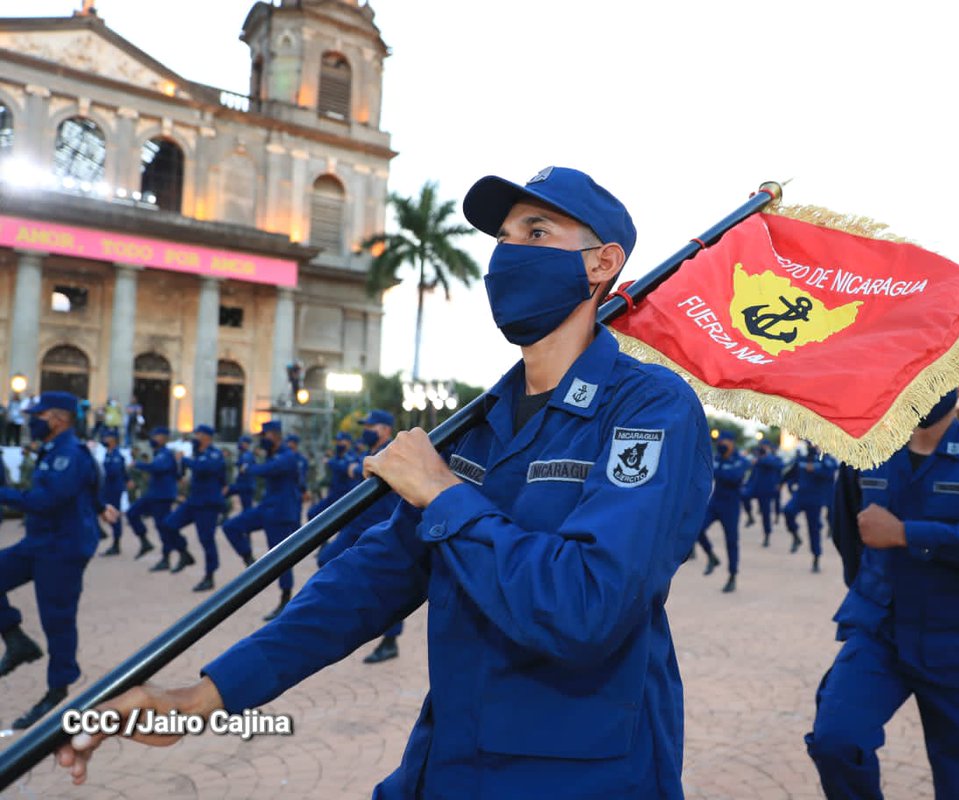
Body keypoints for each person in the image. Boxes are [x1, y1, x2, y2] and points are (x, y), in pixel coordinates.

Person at [59, 166, 713, 800]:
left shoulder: (649, 408)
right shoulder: (478, 424)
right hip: (449, 760)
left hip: (582, 774)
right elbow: (373, 578)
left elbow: (587, 606)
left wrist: (444, 494)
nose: (507, 253)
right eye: (503, 237)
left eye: (535, 232)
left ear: (602, 264)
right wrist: (203, 697)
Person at [806, 379, 959, 799]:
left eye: (938, 374)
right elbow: (848, 536)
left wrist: (908, 534)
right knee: (836, 741)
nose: (924, 385)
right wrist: (872, 592)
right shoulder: (868, 454)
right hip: (881, 633)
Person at [0, 391, 114, 728]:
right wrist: (99, 507)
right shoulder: (54, 449)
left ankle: (58, 689)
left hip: (63, 548)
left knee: (57, 619)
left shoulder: (69, 453)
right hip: (40, 542)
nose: (32, 421)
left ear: (58, 418)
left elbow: (47, 499)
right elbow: (89, 486)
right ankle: (16, 640)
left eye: (39, 415)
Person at [316, 411, 405, 663]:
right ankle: (341, 615)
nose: (366, 430)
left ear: (386, 429)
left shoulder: (394, 450)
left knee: (388, 586)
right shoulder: (367, 451)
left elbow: (363, 470)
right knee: (327, 559)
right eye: (365, 426)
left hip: (382, 525)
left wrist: (355, 468)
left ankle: (390, 641)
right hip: (357, 525)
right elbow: (349, 469)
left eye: (371, 426)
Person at [220, 420, 300, 620]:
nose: (262, 440)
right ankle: (250, 561)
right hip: (266, 508)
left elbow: (267, 470)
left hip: (280, 513)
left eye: (265, 436)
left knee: (280, 559)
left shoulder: (287, 455)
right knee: (231, 526)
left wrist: (249, 467)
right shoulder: (272, 454)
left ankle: (285, 598)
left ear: (274, 435)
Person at [158, 426, 228, 592]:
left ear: (207, 437)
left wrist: (184, 459)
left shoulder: (214, 454)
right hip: (194, 501)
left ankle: (209, 575)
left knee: (206, 539)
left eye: (198, 434)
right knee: (168, 525)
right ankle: (184, 553)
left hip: (208, 504)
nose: (195, 437)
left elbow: (205, 468)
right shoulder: (196, 453)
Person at [127, 427, 190, 572]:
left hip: (162, 496)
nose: (153, 439)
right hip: (154, 494)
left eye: (156, 436)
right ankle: (145, 542)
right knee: (132, 513)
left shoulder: (165, 454)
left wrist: (138, 464)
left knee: (163, 527)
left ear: (164, 438)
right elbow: (173, 472)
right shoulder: (159, 453)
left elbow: (158, 467)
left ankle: (172, 555)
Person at [695, 430, 750, 593]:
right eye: (719, 441)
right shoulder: (717, 458)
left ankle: (732, 575)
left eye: (724, 441)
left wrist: (717, 470)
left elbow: (734, 477)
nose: (721, 444)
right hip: (715, 502)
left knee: (731, 541)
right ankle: (711, 556)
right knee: (697, 529)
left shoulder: (740, 460)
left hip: (731, 506)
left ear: (732, 443)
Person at [783, 443, 838, 571]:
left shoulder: (824, 458)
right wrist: (788, 485)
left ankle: (816, 557)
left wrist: (815, 469)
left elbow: (830, 473)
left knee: (814, 529)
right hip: (800, 495)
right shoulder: (801, 458)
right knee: (788, 511)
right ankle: (795, 535)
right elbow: (791, 473)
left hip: (815, 498)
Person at [98, 428, 141, 557]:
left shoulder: (116, 455)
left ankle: (116, 543)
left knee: (113, 515)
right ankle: (101, 533)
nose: (104, 440)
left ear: (113, 440)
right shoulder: (108, 453)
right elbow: (123, 471)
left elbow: (115, 471)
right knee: (98, 510)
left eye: (107, 438)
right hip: (106, 488)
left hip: (113, 489)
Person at [306, 432, 355, 521]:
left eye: (341, 441)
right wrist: (318, 484)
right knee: (312, 513)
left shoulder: (352, 456)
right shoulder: (337, 457)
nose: (338, 443)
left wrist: (330, 462)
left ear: (348, 442)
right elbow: (330, 478)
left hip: (345, 498)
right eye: (337, 441)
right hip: (332, 496)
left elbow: (345, 468)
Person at [745, 441, 784, 546]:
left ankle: (767, 535)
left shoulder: (773, 458)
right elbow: (753, 472)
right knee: (744, 496)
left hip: (766, 490)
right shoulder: (758, 458)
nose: (763, 448)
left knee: (766, 514)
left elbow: (779, 466)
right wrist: (747, 484)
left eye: (765, 447)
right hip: (755, 487)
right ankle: (750, 517)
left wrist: (763, 459)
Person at [224, 434, 257, 514]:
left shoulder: (247, 455)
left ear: (246, 444)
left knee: (247, 508)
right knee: (247, 507)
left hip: (245, 485)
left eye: (241, 443)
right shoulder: (243, 454)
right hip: (244, 484)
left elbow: (243, 469)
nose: (239, 444)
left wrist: (239, 466)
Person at [285, 433, 310, 508]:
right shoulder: (283, 459)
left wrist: (304, 490)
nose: (289, 445)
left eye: (291, 443)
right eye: (288, 442)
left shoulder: (301, 460)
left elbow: (302, 477)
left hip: (296, 491)